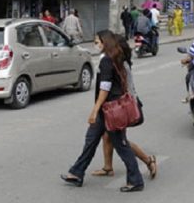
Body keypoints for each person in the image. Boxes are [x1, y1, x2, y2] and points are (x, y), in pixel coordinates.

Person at [60, 30, 145, 192]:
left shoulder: (107, 60)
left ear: (105, 42)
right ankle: (77, 172)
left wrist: (95, 109)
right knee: (90, 140)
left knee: (121, 145)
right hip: (107, 110)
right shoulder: (116, 57)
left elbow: (105, 88)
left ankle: (136, 180)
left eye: (97, 41)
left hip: (111, 110)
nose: (95, 45)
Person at [91, 33, 157, 180]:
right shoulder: (117, 61)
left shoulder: (119, 63)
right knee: (108, 136)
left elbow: (123, 88)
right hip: (119, 105)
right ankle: (108, 167)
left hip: (121, 106)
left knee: (120, 140)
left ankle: (148, 160)